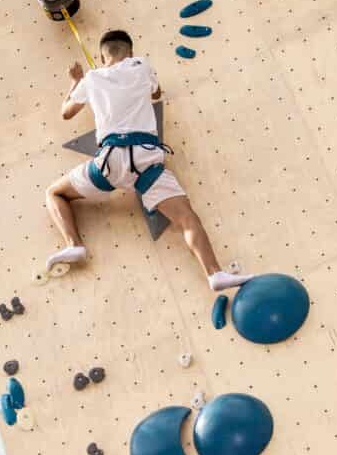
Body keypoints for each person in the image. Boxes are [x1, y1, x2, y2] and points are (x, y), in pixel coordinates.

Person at [46, 30, 250, 292]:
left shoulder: (91, 78)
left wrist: (76, 82)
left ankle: (74, 244)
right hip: (146, 160)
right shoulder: (142, 66)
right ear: (130, 51)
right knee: (187, 218)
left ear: (102, 55)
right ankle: (214, 273)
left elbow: (66, 113)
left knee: (55, 193)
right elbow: (156, 94)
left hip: (111, 160)